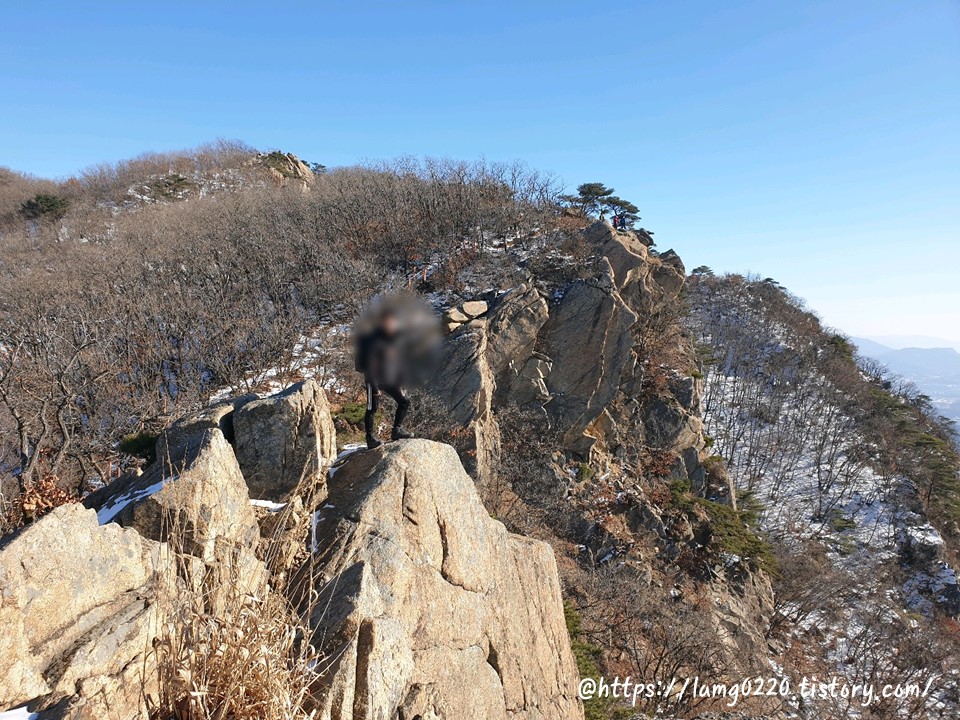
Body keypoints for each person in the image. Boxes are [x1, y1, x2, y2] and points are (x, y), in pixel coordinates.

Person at [355, 307, 415, 449]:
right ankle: (370, 438)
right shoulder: (371, 338)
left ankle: (397, 430)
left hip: (389, 377)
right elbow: (368, 364)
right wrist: (374, 386)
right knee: (372, 407)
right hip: (373, 378)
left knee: (404, 401)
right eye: (389, 322)